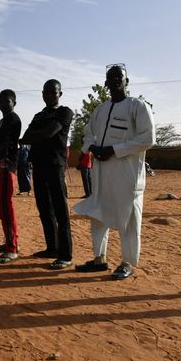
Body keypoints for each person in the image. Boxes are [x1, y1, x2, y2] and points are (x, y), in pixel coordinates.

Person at [73, 64, 155, 279]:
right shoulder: (99, 110)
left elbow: (147, 139)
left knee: (129, 219)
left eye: (120, 77)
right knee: (98, 215)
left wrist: (114, 150)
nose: (116, 80)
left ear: (127, 81)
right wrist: (92, 148)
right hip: (101, 173)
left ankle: (127, 262)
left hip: (127, 175)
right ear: (106, 82)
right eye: (112, 77)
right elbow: (88, 133)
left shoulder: (138, 107)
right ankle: (99, 258)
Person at [19, 79, 74, 269]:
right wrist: (37, 135)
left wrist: (37, 135)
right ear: (42, 94)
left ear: (60, 93)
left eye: (53, 92)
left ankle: (65, 254)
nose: (49, 95)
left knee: (60, 211)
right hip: (39, 166)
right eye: (46, 92)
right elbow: (26, 136)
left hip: (55, 166)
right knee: (44, 209)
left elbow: (49, 133)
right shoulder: (39, 115)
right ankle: (52, 247)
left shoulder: (65, 112)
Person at [0, 90, 22, 264]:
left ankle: (12, 247)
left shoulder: (13, 119)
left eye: (6, 101)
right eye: (0, 101)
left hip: (6, 167)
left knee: (6, 207)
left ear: (14, 102)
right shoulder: (4, 120)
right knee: (1, 207)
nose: (2, 104)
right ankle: (10, 241)